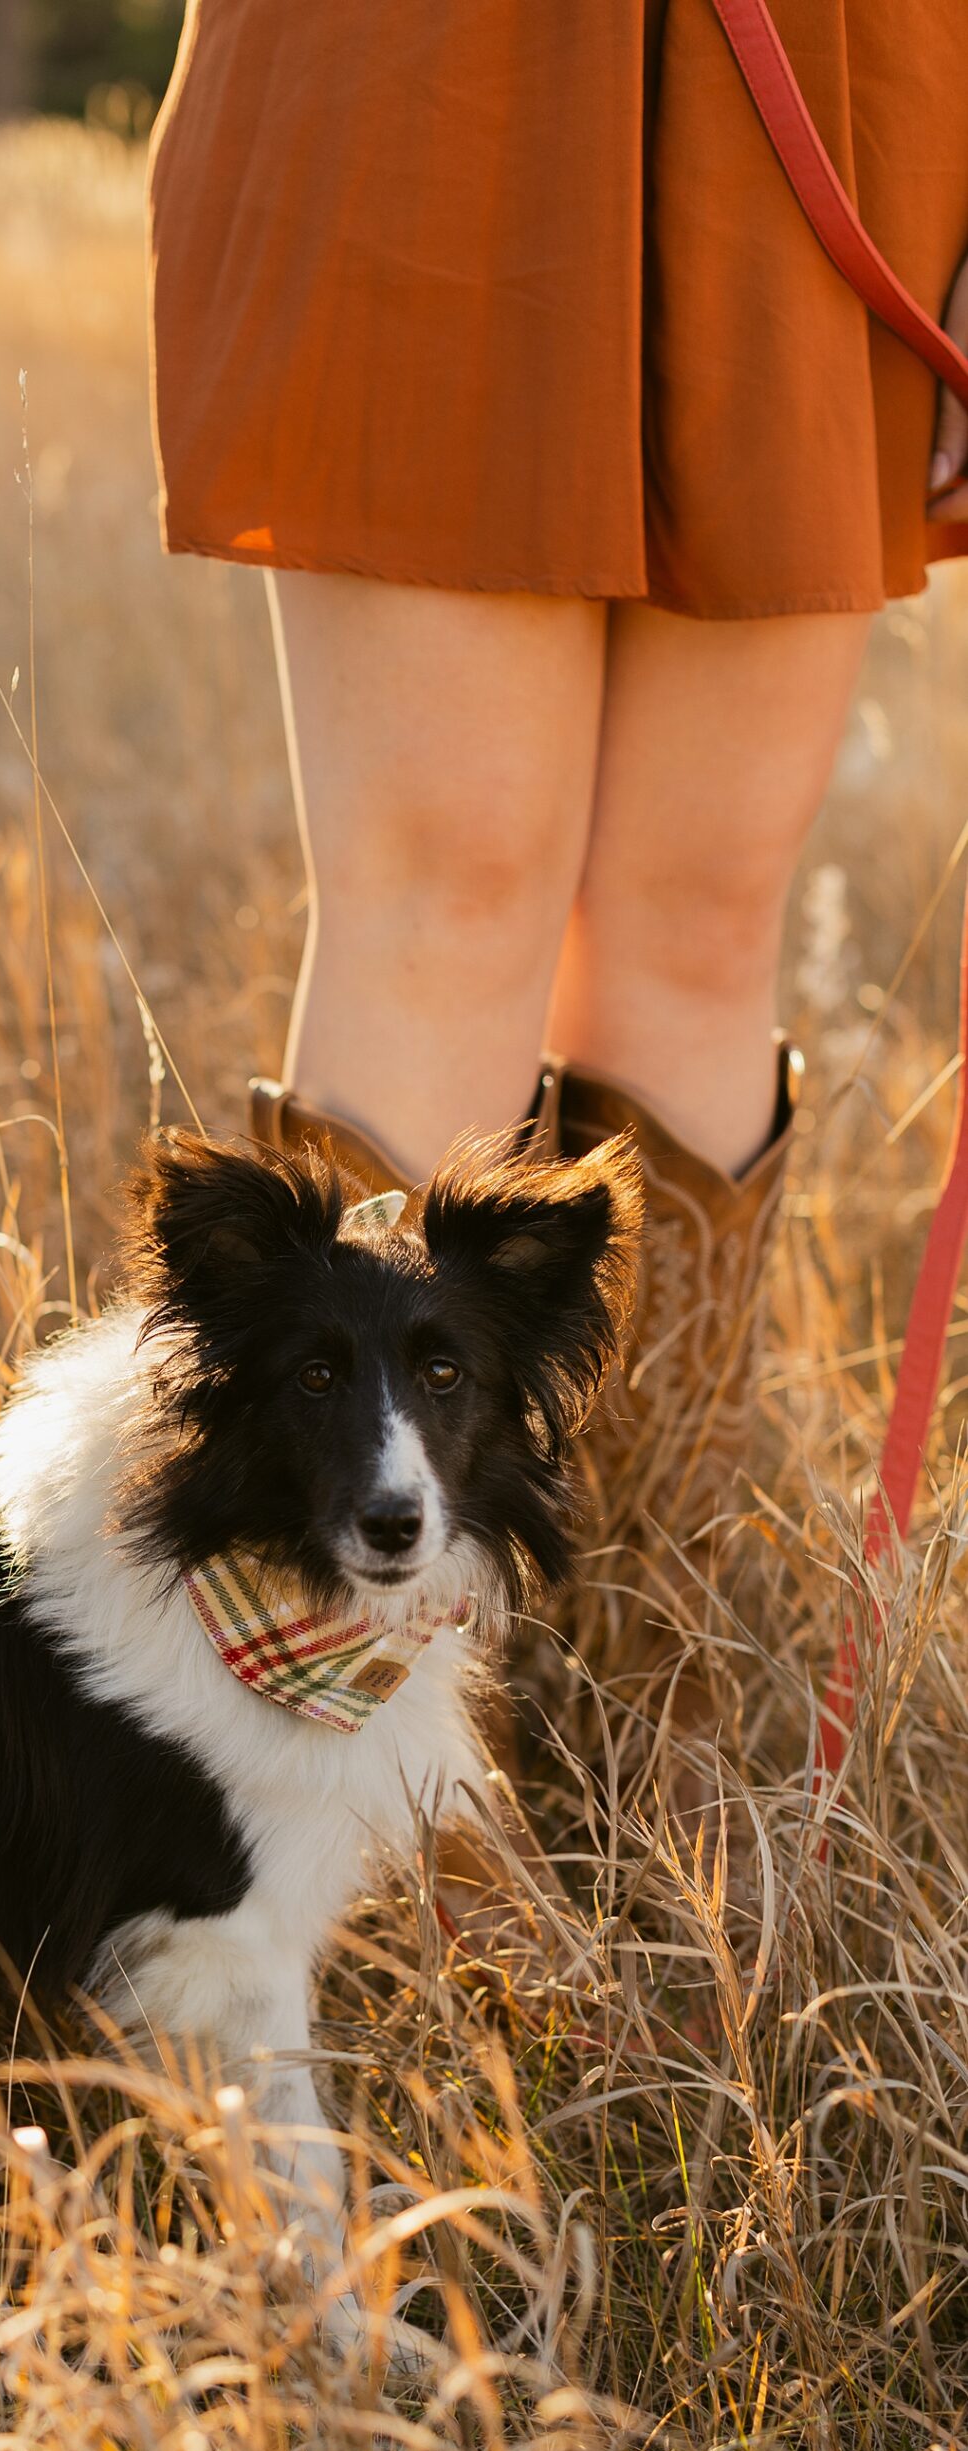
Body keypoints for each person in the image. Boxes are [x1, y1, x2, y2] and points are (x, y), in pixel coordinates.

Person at [145, 1, 968, 1746]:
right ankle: (361, 1749)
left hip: (828, 64)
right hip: (445, 56)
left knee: (706, 909)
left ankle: (642, 1694)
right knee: (450, 880)